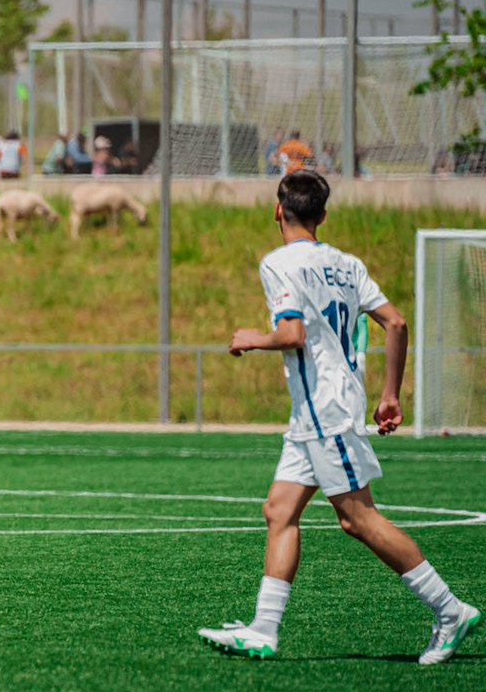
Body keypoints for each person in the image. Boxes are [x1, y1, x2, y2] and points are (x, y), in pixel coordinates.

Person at [200, 170, 476, 664]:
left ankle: (450, 610)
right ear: (323, 215)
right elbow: (396, 321)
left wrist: (250, 339)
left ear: (277, 210)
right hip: (314, 413)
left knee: (358, 519)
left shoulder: (278, 263)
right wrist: (390, 394)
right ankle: (263, 629)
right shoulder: (346, 263)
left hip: (326, 410)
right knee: (279, 512)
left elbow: (292, 335)